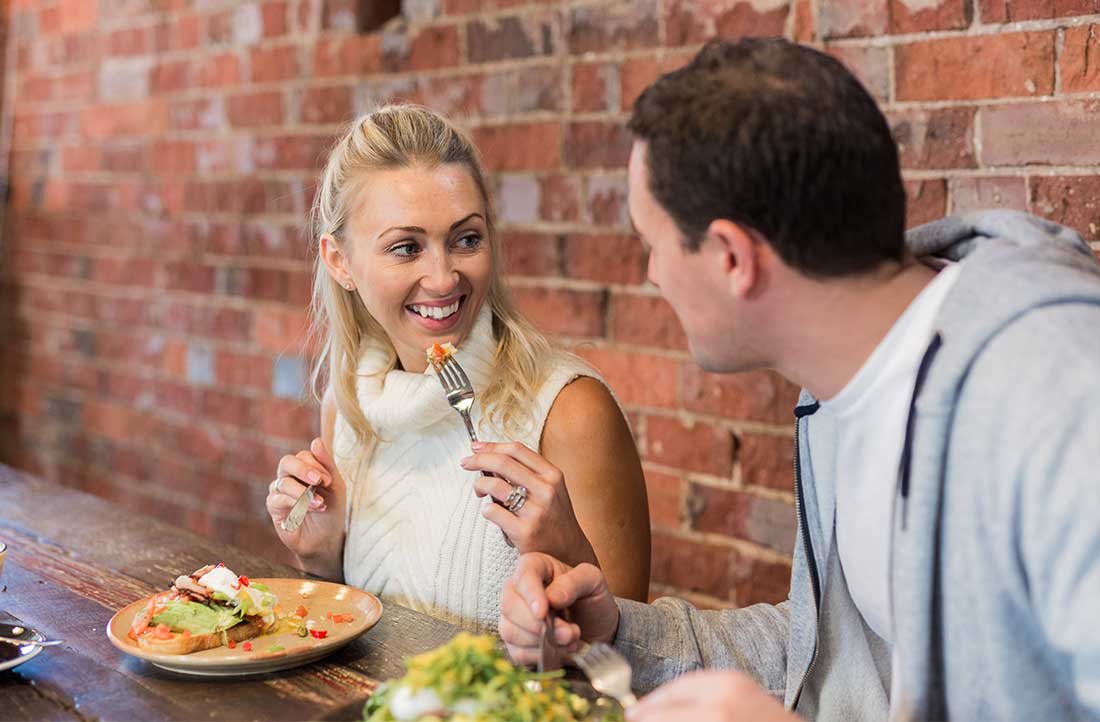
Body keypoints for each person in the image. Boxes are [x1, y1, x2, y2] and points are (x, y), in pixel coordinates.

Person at [499, 38, 1100, 721]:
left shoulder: (1059, 398)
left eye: (653, 243)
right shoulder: (844, 386)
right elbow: (830, 659)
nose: (652, 274)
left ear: (731, 257)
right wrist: (618, 633)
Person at [264, 104, 650, 631]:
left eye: (466, 239)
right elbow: (358, 640)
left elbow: (631, 664)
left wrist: (566, 552)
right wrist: (321, 558)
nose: (443, 279)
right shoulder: (350, 407)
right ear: (340, 262)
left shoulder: (572, 411)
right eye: (406, 248)